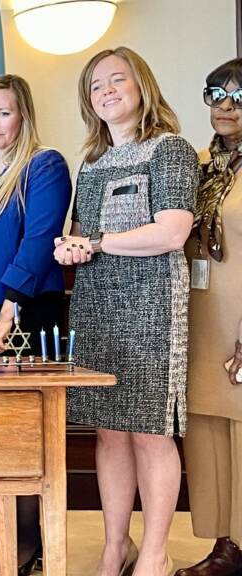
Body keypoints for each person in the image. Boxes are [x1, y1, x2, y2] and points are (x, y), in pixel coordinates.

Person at [54, 47, 198, 576]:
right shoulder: (90, 161)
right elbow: (83, 237)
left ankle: (155, 554)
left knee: (150, 430)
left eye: (118, 80)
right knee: (108, 430)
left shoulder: (172, 150)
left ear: (143, 86)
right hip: (95, 307)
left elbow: (173, 231)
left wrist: (93, 241)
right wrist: (69, 247)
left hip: (151, 304)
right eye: (96, 85)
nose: (107, 91)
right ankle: (116, 547)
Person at [0, 74, 72, 574]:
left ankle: (26, 542)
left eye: (3, 112)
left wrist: (9, 309)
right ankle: (2, 531)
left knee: (25, 432)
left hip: (23, 314)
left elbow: (40, 239)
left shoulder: (44, 166)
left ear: (22, 115)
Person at [176, 58, 242, 576]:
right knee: (207, 432)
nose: (225, 105)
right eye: (217, 92)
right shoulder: (196, 164)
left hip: (241, 316)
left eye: (239, 96)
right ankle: (226, 545)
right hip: (200, 314)